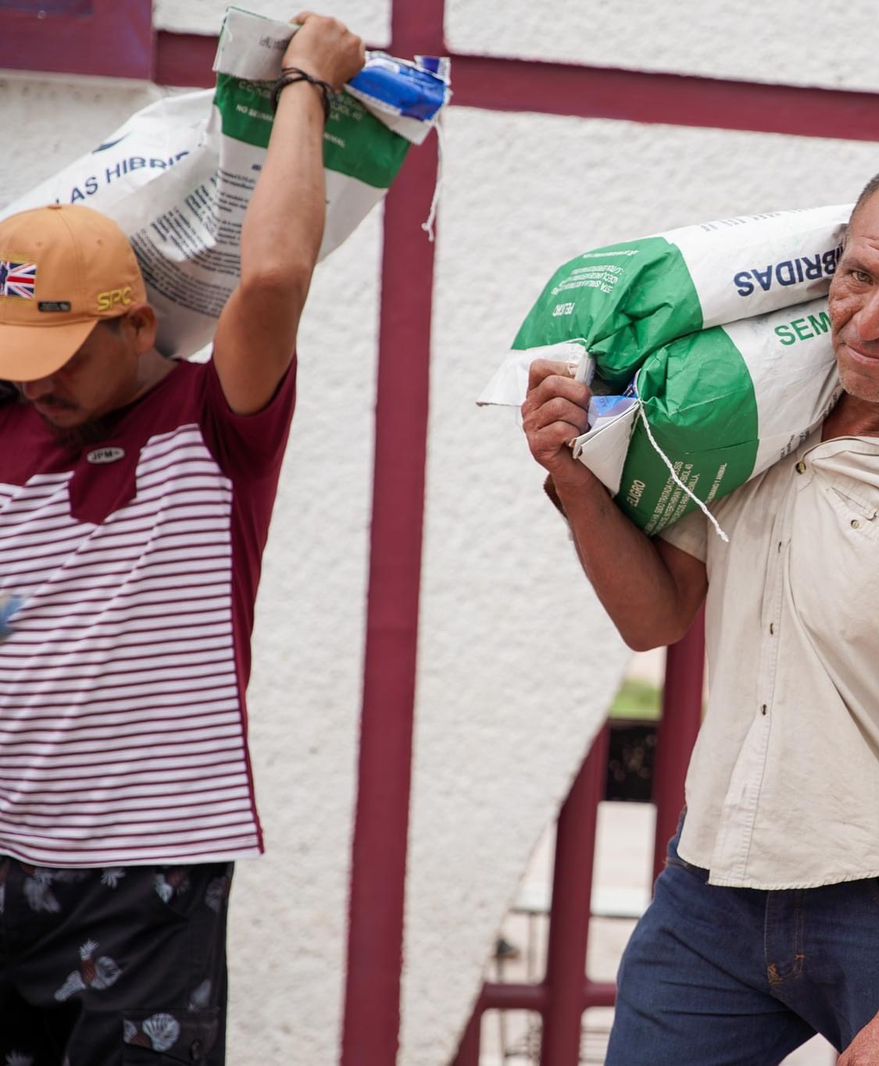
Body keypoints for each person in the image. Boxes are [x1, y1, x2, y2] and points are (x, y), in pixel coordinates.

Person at [522, 162, 879, 1065]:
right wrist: (577, 483)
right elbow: (657, 618)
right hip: (710, 891)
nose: (870, 321)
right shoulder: (761, 414)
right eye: (860, 276)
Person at [0, 15, 365, 1062]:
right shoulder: (8, 420)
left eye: (65, 352)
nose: (39, 380)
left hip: (148, 878)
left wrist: (305, 88)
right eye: (21, 354)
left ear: (133, 322)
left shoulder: (214, 423)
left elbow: (274, 279)